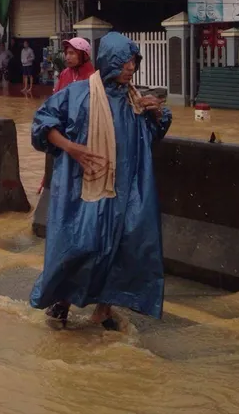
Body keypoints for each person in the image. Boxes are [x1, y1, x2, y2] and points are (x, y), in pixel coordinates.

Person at [29, 32, 171, 331]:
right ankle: (62, 301)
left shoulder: (136, 101)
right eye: (125, 61)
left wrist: (157, 112)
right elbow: (42, 124)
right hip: (84, 187)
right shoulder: (77, 94)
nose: (131, 68)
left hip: (127, 189)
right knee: (81, 245)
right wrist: (71, 148)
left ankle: (104, 309)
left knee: (125, 247)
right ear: (109, 61)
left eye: (134, 62)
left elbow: (152, 136)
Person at [36, 37, 96, 195]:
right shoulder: (64, 74)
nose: (67, 57)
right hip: (62, 134)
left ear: (83, 54)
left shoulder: (93, 77)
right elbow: (54, 102)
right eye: (66, 53)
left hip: (82, 134)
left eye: (72, 53)